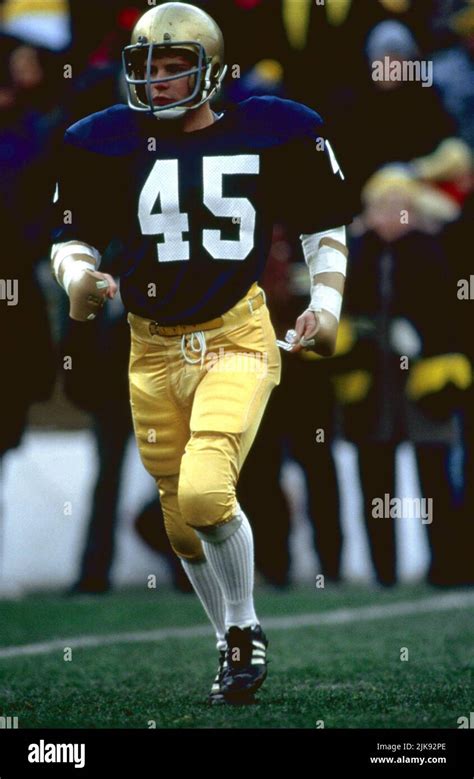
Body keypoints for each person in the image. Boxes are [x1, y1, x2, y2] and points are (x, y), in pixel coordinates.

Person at [50, 2, 354, 705]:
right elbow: (70, 235)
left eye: (174, 66)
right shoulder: (102, 140)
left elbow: (324, 224)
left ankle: (245, 627)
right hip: (149, 349)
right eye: (146, 67)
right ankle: (231, 648)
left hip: (235, 335)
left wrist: (328, 304)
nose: (156, 81)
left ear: (211, 70)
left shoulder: (275, 130)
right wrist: (78, 278)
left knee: (206, 490)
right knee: (180, 519)